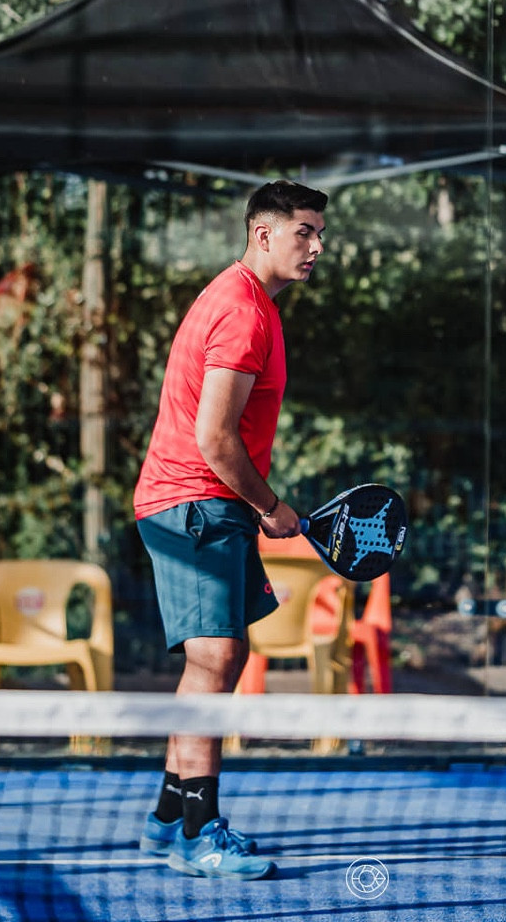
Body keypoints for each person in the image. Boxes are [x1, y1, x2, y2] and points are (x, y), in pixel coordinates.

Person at [131, 179, 328, 880]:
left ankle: (167, 818)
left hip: (204, 503)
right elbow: (213, 438)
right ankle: (199, 832)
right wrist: (271, 506)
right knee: (216, 657)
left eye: (320, 234)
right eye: (304, 232)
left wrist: (255, 506)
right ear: (263, 234)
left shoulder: (246, 301)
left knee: (217, 660)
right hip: (194, 503)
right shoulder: (243, 313)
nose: (317, 247)